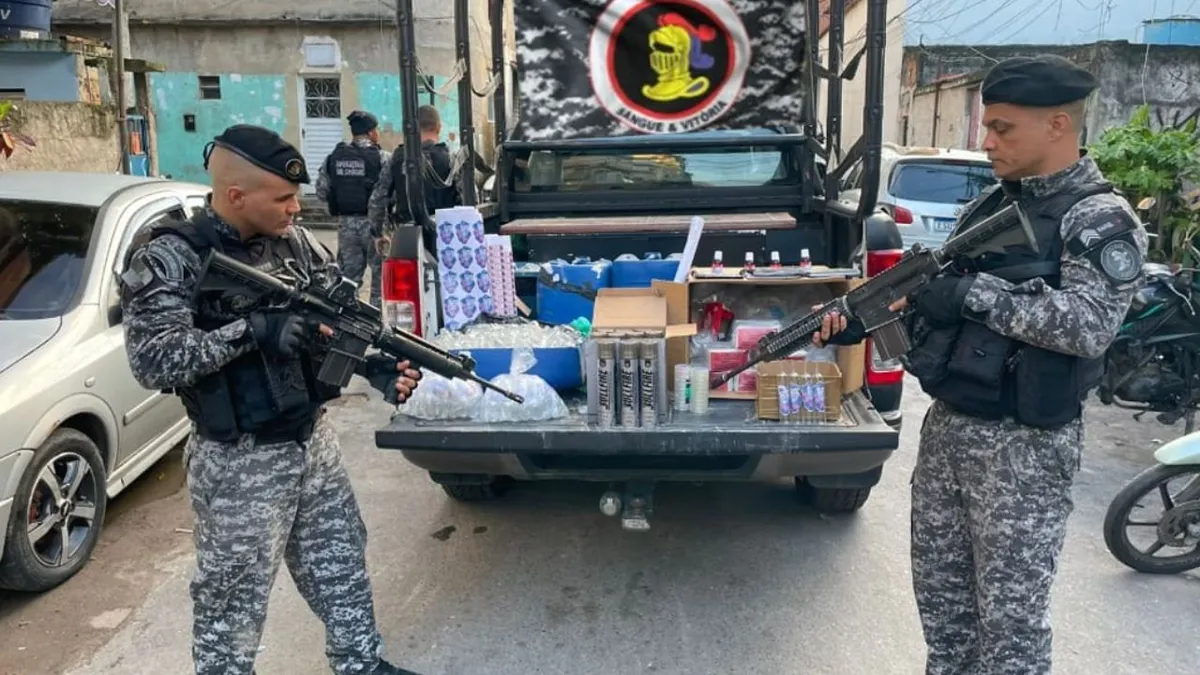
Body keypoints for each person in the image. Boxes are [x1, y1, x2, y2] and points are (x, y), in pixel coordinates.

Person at [815, 55, 1148, 674]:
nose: (986, 141)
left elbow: (1088, 325)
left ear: (1057, 125)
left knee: (1011, 629)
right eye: (986, 127)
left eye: (1002, 128)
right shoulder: (992, 206)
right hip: (951, 430)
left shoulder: (1097, 216)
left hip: (1023, 448)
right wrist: (876, 317)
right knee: (945, 612)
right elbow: (940, 306)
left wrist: (974, 296)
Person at [119, 124, 425, 675]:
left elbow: (332, 319)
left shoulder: (295, 241)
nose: (295, 207)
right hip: (240, 459)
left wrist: (372, 365)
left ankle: (360, 663)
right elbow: (153, 361)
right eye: (283, 198)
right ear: (236, 196)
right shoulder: (171, 257)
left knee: (340, 560)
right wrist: (252, 331)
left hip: (310, 440)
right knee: (232, 596)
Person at [317, 110, 389, 307]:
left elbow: (322, 192)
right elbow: (390, 192)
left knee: (348, 281)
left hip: (346, 226)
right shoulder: (382, 158)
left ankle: (348, 319)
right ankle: (376, 320)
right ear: (371, 132)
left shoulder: (333, 157)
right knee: (380, 279)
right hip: (376, 228)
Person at [367, 105, 459, 249]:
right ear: (439, 128)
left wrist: (379, 234)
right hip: (446, 236)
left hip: (406, 236)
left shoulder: (397, 158)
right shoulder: (453, 159)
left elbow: (377, 200)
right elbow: (468, 200)